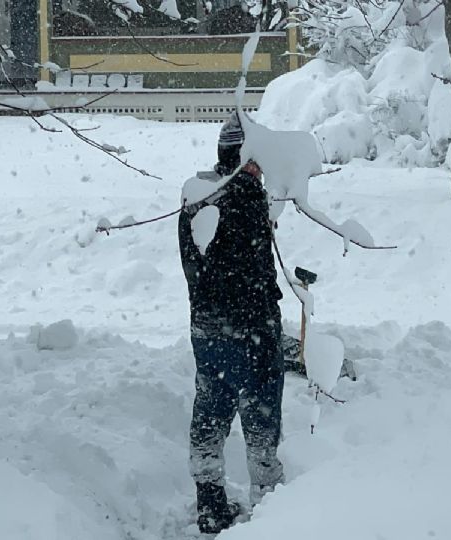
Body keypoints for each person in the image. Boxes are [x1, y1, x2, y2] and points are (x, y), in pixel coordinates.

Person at [178, 113, 285, 534]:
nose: (262, 169)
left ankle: (209, 502)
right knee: (260, 417)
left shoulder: (195, 194)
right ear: (245, 158)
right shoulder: (248, 196)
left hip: (206, 328)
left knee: (210, 406)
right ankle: (273, 509)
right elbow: (256, 269)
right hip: (251, 330)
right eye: (257, 159)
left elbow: (195, 263)